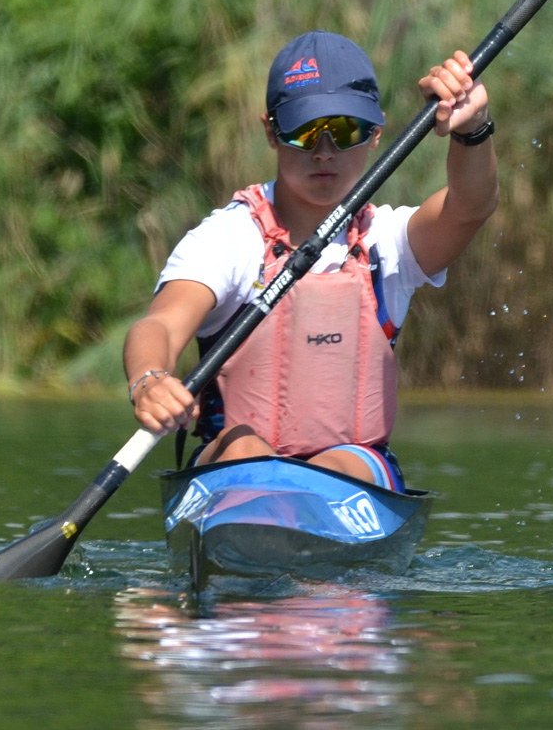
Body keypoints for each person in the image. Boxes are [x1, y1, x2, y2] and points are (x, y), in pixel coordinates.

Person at [123, 29, 497, 489]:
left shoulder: (388, 242)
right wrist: (150, 379)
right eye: (304, 131)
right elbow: (160, 324)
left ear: (376, 132)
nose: (324, 151)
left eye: (344, 130)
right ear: (270, 131)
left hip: (353, 472)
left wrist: (473, 130)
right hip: (233, 463)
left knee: (343, 466)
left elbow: (470, 207)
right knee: (244, 447)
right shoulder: (228, 237)